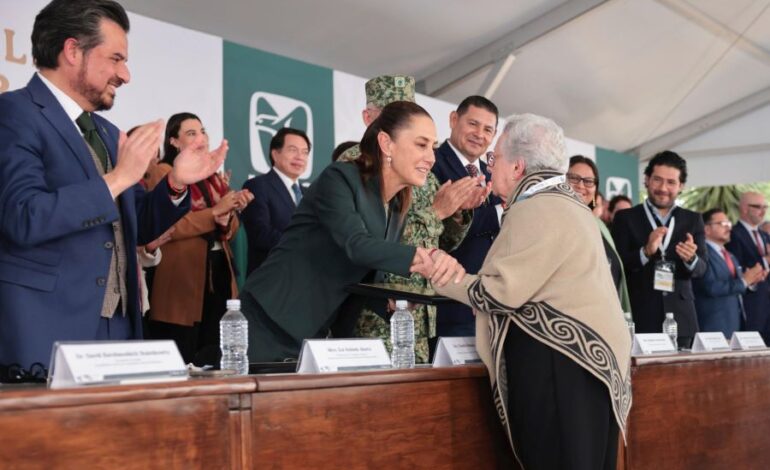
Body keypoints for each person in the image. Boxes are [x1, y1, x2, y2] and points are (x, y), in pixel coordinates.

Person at [0, 0, 225, 374]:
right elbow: (23, 216)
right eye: (116, 58)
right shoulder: (14, 113)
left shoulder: (105, 132)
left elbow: (138, 225)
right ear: (72, 50)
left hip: (119, 332)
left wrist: (175, 184)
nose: (125, 74)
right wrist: (119, 177)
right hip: (46, 328)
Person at [434, 113, 631, 470]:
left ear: (517, 166)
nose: (490, 168)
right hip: (589, 362)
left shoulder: (536, 207)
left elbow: (499, 293)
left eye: (495, 159)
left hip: (562, 364)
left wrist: (442, 275)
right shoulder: (572, 204)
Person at [240, 101, 466, 362]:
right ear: (386, 143)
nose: (431, 157)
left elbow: (363, 273)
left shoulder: (396, 203)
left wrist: (390, 301)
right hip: (270, 319)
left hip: (315, 332)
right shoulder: (340, 178)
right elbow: (355, 244)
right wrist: (425, 258)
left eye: (433, 147)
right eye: (421, 144)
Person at [336, 75, 484, 363]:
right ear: (369, 118)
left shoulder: (423, 170)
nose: (402, 123)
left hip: (420, 309)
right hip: (376, 309)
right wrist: (436, 212)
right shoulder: (358, 163)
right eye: (391, 115)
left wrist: (457, 212)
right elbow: (369, 241)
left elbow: (440, 240)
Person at [143, 112, 252, 365]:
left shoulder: (213, 176)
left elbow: (230, 227)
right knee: (181, 353)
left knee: (214, 350)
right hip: (180, 274)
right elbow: (169, 224)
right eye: (191, 133)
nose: (200, 137)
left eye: (202, 131)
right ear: (173, 141)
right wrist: (214, 213)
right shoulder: (164, 172)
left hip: (219, 270)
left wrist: (228, 217)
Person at [612, 151, 707, 348]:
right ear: (646, 180)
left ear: (681, 186)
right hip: (639, 316)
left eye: (671, 182)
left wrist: (691, 259)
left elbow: (702, 269)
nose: (663, 188)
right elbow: (616, 266)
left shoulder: (693, 219)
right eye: (657, 180)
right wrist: (645, 252)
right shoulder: (625, 218)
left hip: (682, 321)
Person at [432, 95, 503, 337]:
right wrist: (505, 211)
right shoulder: (432, 164)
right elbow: (437, 225)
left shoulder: (493, 173)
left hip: (489, 305)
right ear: (454, 119)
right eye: (473, 124)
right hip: (450, 300)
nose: (479, 134)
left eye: (487, 129)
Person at [241, 128, 310, 275]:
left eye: (305, 152)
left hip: (305, 278)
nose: (300, 157)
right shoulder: (257, 186)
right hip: (271, 277)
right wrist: (306, 243)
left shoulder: (309, 193)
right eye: (293, 150)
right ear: (275, 154)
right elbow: (260, 234)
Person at [567, 155, 631, 313]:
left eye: (589, 181)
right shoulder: (557, 221)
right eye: (574, 178)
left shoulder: (599, 225)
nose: (581, 185)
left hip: (607, 314)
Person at [694, 209, 765, 338]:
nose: (728, 228)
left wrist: (752, 281)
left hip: (735, 324)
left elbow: (738, 286)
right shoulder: (701, 254)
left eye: (729, 223)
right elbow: (710, 288)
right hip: (712, 326)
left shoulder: (730, 255)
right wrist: (744, 281)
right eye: (722, 224)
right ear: (706, 229)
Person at [726, 192, 770, 342]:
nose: (763, 211)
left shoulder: (764, 236)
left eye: (765, 207)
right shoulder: (733, 234)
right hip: (750, 305)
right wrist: (765, 261)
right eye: (758, 207)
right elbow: (735, 267)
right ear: (744, 208)